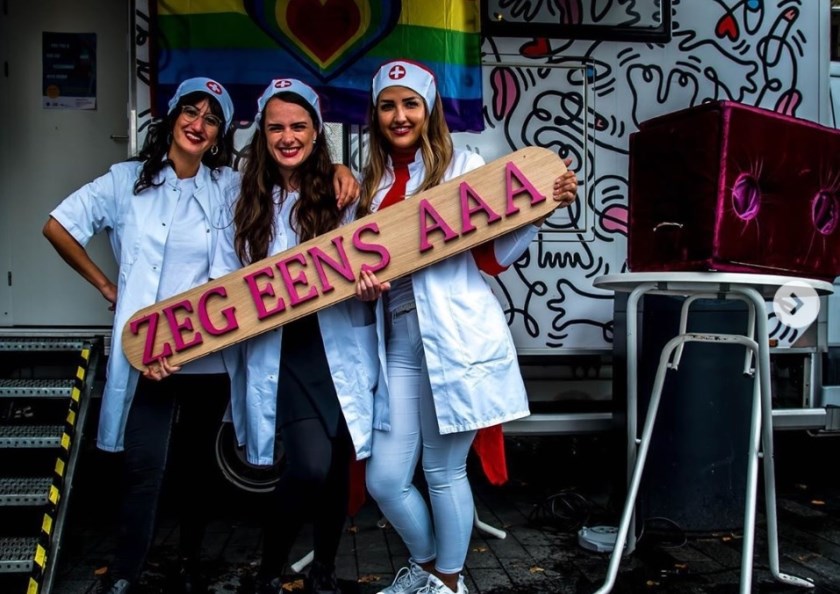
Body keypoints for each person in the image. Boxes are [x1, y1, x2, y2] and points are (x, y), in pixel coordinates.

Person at [42, 77, 359, 594]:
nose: (198, 125)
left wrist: (340, 167)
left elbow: (295, 178)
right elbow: (58, 225)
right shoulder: (125, 181)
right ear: (170, 117)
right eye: (191, 112)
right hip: (152, 350)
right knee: (144, 464)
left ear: (219, 136)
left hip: (208, 352)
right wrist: (106, 286)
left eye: (212, 119)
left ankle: (190, 564)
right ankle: (124, 574)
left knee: (197, 467)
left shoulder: (226, 184)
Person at [354, 59, 579, 594]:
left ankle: (448, 581)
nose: (399, 115)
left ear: (428, 109)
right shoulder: (369, 184)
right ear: (376, 114)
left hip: (456, 340)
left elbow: (494, 256)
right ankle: (427, 563)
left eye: (410, 104)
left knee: (442, 471)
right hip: (399, 345)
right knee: (385, 479)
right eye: (388, 105)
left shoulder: (466, 166)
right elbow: (353, 269)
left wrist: (539, 210)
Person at [208, 78, 386, 594]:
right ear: (261, 133)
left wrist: (370, 290)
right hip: (280, 351)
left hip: (338, 348)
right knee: (308, 464)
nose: (288, 137)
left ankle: (323, 574)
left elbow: (365, 264)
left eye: (299, 126)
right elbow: (224, 278)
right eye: (276, 127)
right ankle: (267, 573)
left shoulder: (342, 192)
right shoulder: (239, 194)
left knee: (333, 467)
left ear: (316, 132)